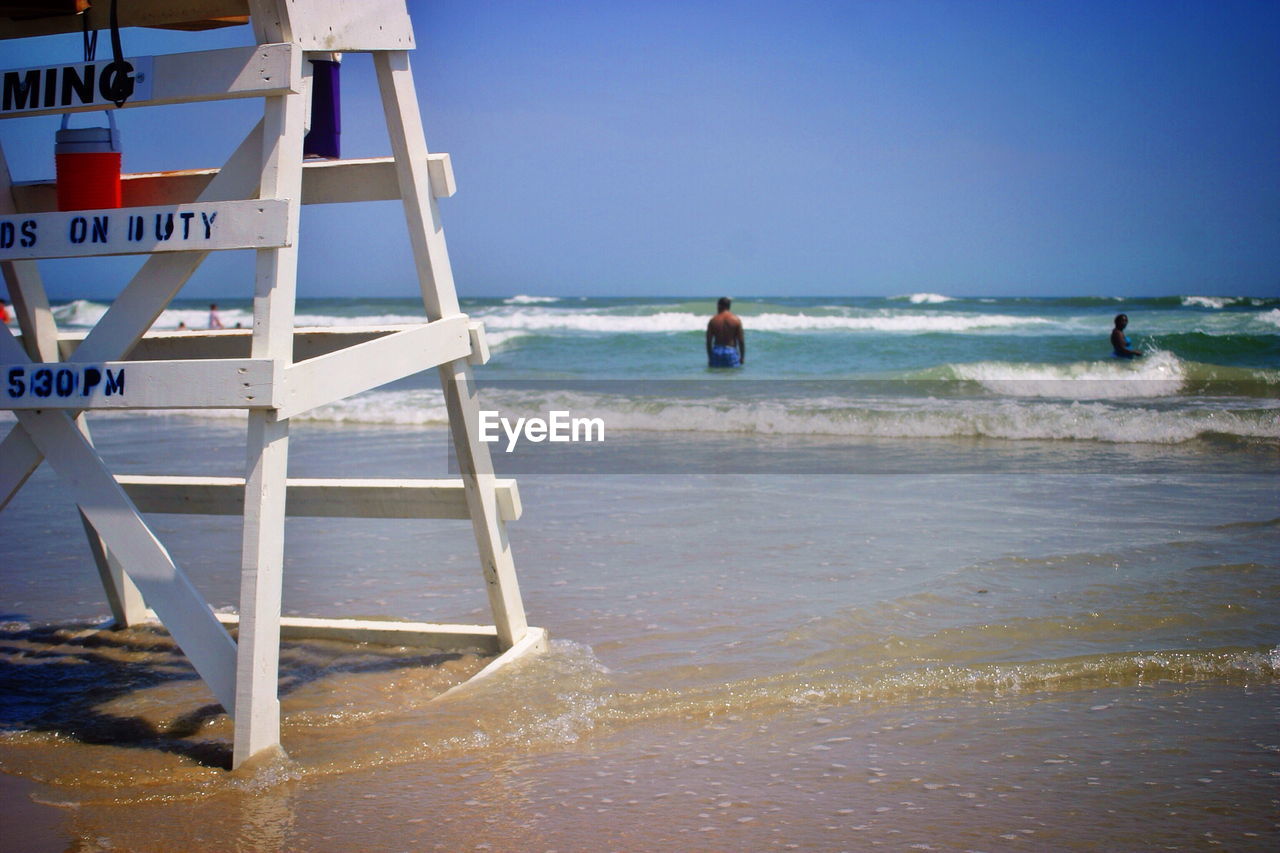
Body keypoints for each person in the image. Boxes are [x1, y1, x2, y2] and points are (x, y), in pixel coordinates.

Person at [706, 297, 745, 368]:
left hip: (716, 351)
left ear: (719, 306)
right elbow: (741, 341)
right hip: (731, 351)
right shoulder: (736, 320)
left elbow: (709, 341)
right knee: (732, 376)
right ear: (729, 306)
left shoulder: (713, 320)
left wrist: (710, 358)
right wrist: (742, 357)